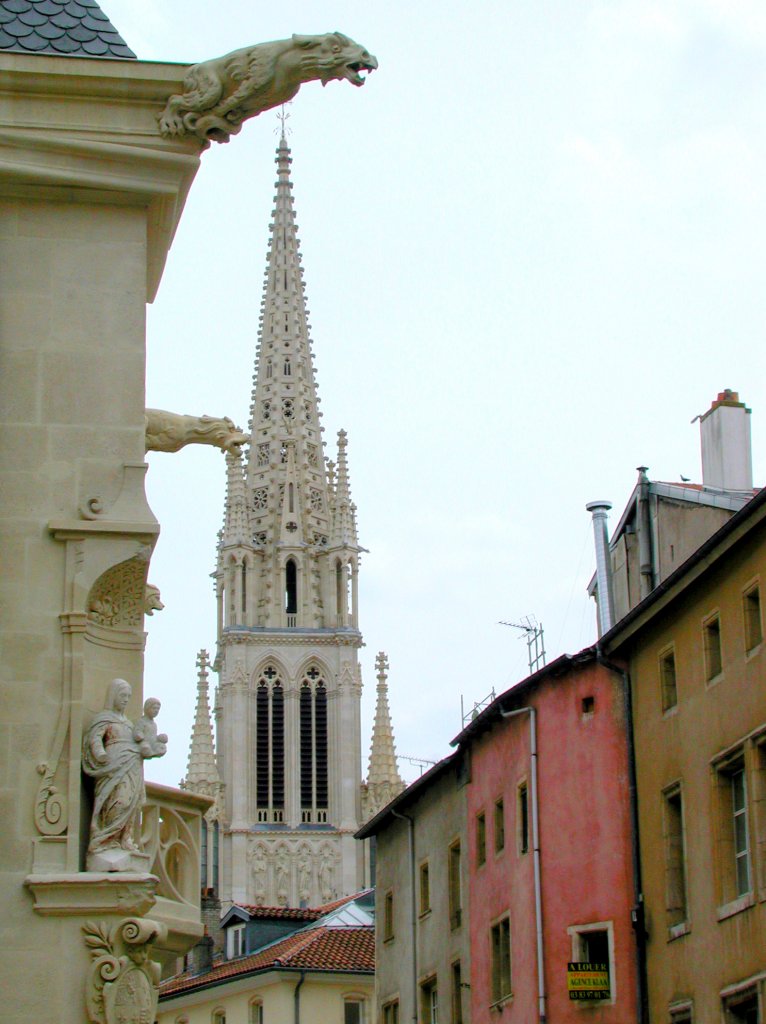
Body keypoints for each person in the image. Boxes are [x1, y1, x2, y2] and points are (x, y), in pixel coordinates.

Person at [82, 679, 146, 857]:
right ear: (113, 696)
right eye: (123, 696)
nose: (126, 700)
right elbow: (95, 738)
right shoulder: (104, 719)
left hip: (131, 768)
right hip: (112, 767)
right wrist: (100, 753)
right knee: (117, 801)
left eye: (128, 696)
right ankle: (105, 839)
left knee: (129, 803)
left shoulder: (128, 724)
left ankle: (123, 839)